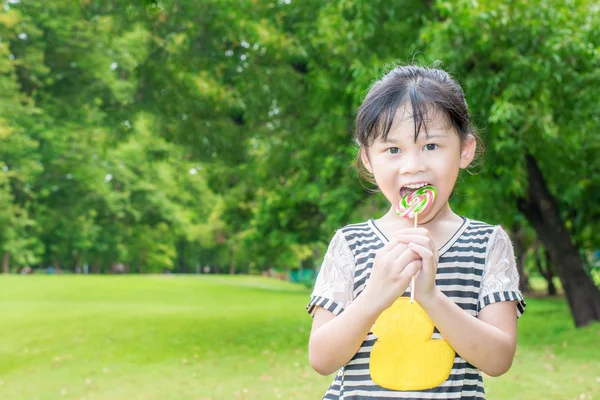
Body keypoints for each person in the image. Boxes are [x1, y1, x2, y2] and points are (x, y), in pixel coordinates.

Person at [306, 65, 526, 399]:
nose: (412, 165)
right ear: (368, 158)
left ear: (465, 150)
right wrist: (376, 295)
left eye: (431, 146)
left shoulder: (487, 244)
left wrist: (430, 297)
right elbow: (321, 358)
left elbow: (498, 359)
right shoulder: (349, 244)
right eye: (393, 150)